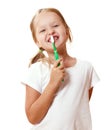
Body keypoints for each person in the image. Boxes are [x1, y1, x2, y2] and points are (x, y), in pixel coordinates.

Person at [22, 8, 100, 130]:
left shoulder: (86, 68)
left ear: (67, 31)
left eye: (55, 25)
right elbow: (33, 117)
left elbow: (79, 105)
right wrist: (52, 83)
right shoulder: (37, 70)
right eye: (43, 30)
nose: (50, 31)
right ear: (38, 42)